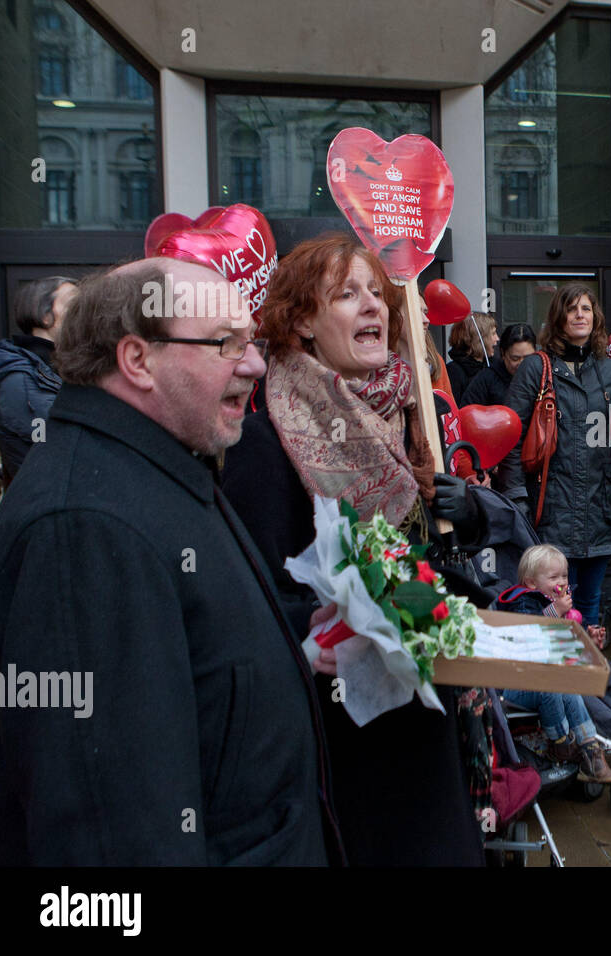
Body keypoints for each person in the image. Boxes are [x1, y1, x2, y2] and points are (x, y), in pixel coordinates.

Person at [0, 259, 340, 864]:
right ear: (137, 360)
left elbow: (193, 662)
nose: (254, 363)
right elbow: (108, 835)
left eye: (250, 341)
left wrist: (293, 641)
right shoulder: (84, 530)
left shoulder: (164, 464)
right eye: (226, 342)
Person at [221, 234, 487, 864]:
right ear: (303, 323)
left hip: (424, 712)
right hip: (343, 738)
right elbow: (255, 602)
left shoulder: (410, 422)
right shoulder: (262, 444)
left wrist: (470, 521)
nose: (373, 306)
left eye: (377, 292)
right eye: (346, 294)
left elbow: (426, 571)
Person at [499, 283, 611, 633]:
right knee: (555, 604)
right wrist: (517, 496)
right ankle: (559, 681)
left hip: (602, 507)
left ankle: (589, 680)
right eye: (572, 309)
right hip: (553, 508)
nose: (580, 315)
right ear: (559, 317)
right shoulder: (536, 369)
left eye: (586, 308)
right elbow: (511, 436)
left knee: (590, 602)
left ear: (596, 316)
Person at [494, 544, 611, 784]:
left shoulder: (557, 604)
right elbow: (527, 632)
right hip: (514, 686)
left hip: (548, 679)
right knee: (551, 686)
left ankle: (590, 751)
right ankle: (561, 744)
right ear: (531, 583)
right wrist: (554, 611)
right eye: (554, 577)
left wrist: (588, 642)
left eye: (564, 575)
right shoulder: (524, 601)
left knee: (567, 689)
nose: (562, 581)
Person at [0, 275, 77, 485]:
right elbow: (67, 445)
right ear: (45, 316)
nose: (85, 313)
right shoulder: (19, 378)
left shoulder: (64, 366)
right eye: (75, 304)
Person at [461, 322, 536, 408]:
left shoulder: (543, 378)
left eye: (528, 358)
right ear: (503, 354)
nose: (522, 364)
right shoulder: (486, 379)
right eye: (515, 359)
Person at [447, 312, 497, 403]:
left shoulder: (494, 366)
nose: (497, 338)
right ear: (478, 338)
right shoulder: (454, 372)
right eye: (493, 334)